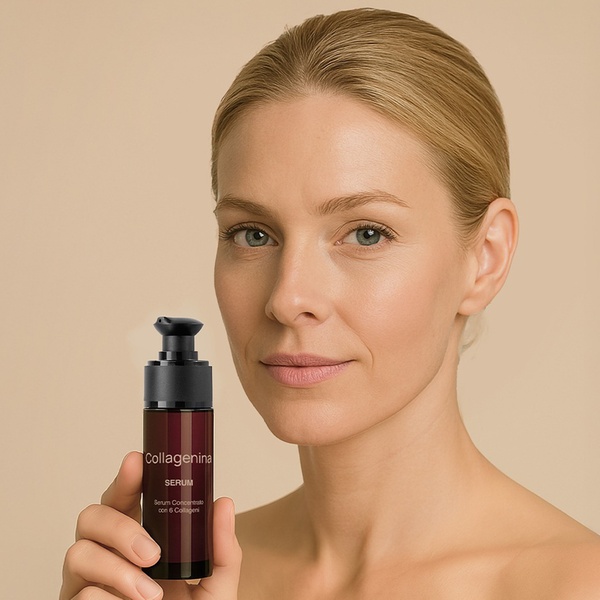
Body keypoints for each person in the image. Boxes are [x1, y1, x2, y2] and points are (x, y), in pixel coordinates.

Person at [60, 8, 600, 600]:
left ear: (486, 256)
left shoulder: (575, 585)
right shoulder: (183, 580)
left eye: (366, 233)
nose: (288, 298)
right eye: (253, 234)